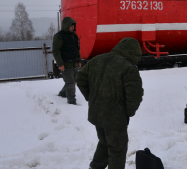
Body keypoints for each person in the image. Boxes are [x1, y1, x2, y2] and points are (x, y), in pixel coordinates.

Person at [76, 37, 144, 169]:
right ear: (133, 53)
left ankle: (95, 167)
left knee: (104, 142)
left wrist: (91, 97)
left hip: (97, 114)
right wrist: (128, 112)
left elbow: (80, 78)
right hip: (115, 118)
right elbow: (135, 95)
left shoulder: (97, 59)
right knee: (117, 149)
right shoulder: (129, 68)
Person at [52, 17, 81, 105]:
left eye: (73, 26)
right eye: (71, 26)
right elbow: (56, 50)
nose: (72, 27)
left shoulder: (74, 36)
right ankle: (72, 102)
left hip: (74, 63)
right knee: (70, 82)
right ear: (66, 25)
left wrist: (79, 61)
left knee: (73, 81)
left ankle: (63, 93)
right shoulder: (59, 36)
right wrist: (60, 63)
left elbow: (77, 49)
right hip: (65, 64)